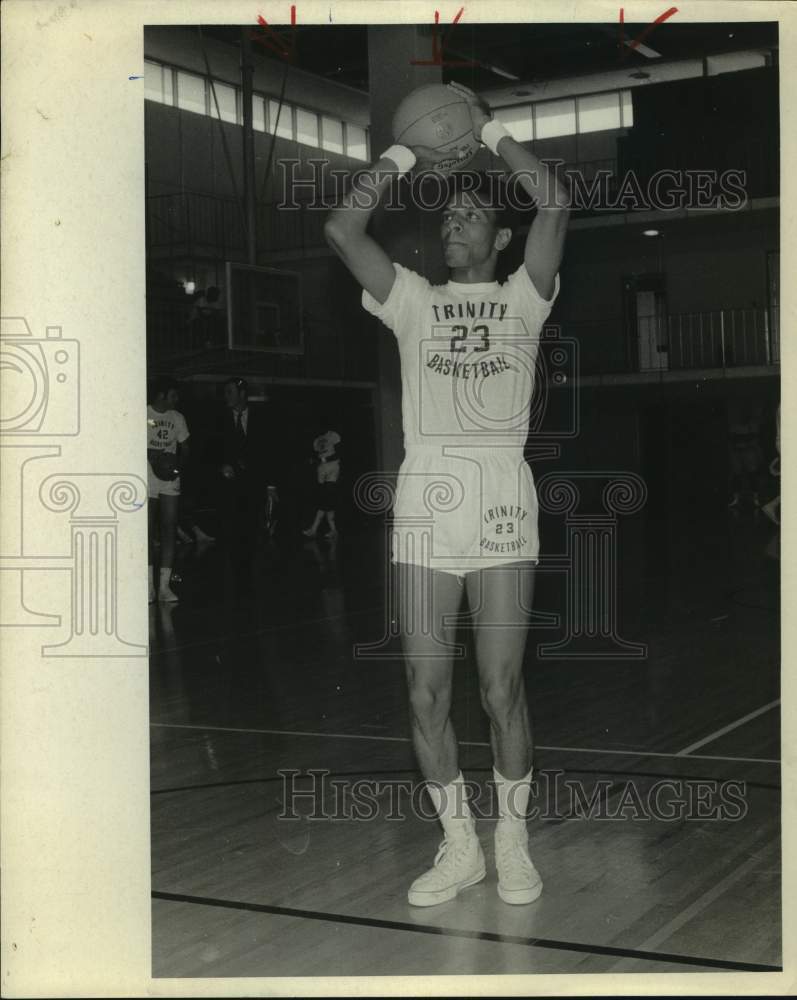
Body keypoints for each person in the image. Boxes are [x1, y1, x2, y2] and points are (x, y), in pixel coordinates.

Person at [324, 81, 569, 906]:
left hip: (499, 493)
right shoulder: (411, 301)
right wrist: (406, 151)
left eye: (470, 215)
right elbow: (341, 228)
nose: (454, 223)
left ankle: (513, 843)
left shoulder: (524, 298)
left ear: (500, 237)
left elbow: (554, 201)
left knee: (501, 688)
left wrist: (483, 130)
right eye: (448, 215)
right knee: (424, 692)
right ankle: (459, 847)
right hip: (427, 495)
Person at [218, 377, 279, 567]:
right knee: (233, 533)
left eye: (230, 392)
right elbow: (211, 451)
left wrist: (271, 486)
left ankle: (252, 570)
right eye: (225, 392)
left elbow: (270, 453)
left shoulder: (262, 418)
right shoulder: (219, 419)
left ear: (242, 394)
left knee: (253, 531)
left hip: (255, 485)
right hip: (229, 486)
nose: (226, 396)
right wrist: (222, 465)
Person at [147, 379, 190, 603]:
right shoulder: (144, 415)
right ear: (161, 395)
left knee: (169, 529)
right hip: (146, 476)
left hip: (169, 477)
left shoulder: (178, 418)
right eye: (173, 395)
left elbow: (186, 448)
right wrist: (153, 456)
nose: (177, 399)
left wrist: (177, 466)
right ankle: (148, 587)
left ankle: (164, 587)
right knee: (146, 531)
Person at [303, 428, 342, 538]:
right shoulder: (316, 440)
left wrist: (324, 460)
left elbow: (339, 452)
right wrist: (315, 461)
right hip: (322, 473)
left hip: (332, 472)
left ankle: (314, 529)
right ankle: (333, 530)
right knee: (326, 503)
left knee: (324, 502)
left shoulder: (332, 435)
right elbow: (316, 455)